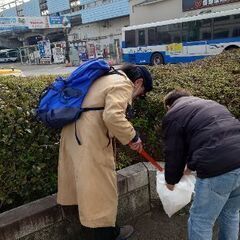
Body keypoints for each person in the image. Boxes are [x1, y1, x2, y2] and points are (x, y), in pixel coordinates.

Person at [57, 64, 153, 240]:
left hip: (74, 133)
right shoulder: (124, 83)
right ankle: (108, 235)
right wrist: (133, 137)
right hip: (90, 139)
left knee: (86, 186)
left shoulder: (104, 78)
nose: (138, 97)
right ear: (138, 82)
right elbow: (113, 116)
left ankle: (97, 231)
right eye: (142, 93)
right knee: (102, 189)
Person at [162, 88, 240, 240]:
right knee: (231, 214)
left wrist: (171, 181)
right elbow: (210, 138)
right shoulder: (210, 105)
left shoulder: (173, 114)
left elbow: (174, 152)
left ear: (168, 106)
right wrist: (189, 168)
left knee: (201, 220)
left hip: (218, 167)